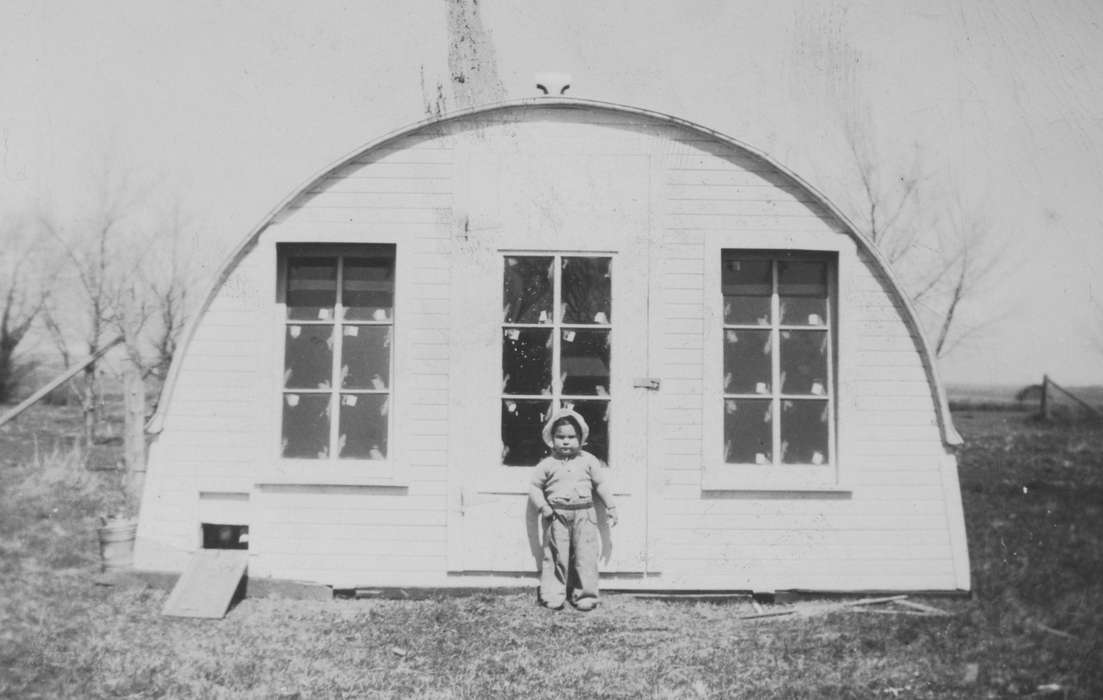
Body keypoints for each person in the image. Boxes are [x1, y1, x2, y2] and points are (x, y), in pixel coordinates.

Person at [528, 408, 617, 611]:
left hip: (584, 514)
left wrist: (610, 505)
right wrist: (543, 506)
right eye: (560, 437)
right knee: (556, 555)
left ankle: (585, 594)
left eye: (571, 437)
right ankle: (553, 594)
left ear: (581, 437)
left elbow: (600, 485)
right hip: (556, 515)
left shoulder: (588, 461)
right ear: (552, 438)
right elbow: (534, 488)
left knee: (586, 555)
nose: (566, 441)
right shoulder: (547, 464)